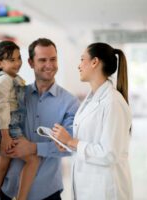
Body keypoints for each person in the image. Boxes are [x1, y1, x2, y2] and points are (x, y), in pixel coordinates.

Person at [0, 38, 79, 200]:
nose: (49, 65)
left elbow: (70, 146)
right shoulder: (16, 95)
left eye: (53, 59)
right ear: (30, 63)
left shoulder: (70, 103)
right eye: (42, 60)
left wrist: (34, 148)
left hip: (48, 192)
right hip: (10, 191)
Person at [52, 42, 133, 199]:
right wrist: (67, 145)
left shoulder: (113, 102)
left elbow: (109, 154)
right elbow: (89, 140)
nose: (79, 65)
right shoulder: (92, 98)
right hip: (89, 186)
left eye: (82, 59)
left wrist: (71, 142)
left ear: (95, 62)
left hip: (106, 190)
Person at [0, 40, 40, 200]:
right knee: (33, 160)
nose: (17, 63)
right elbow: (2, 109)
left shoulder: (13, 78)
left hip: (8, 128)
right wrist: (5, 137)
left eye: (19, 58)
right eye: (12, 60)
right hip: (7, 129)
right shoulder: (3, 80)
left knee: (2, 166)